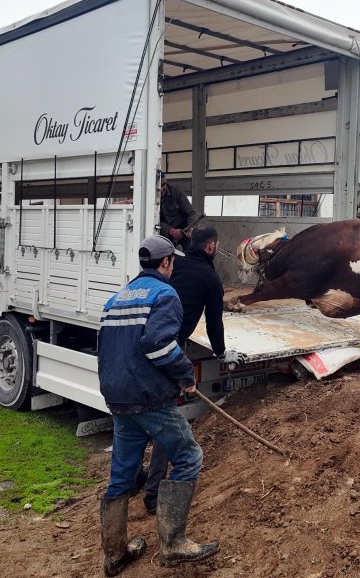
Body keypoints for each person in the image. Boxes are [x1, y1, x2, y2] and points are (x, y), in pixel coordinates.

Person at [97, 235, 219, 574]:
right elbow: (157, 345)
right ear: (166, 263)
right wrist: (185, 376)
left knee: (121, 475)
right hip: (149, 398)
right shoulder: (165, 294)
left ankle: (114, 554)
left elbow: (108, 348)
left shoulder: (116, 298)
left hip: (119, 398)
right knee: (189, 457)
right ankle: (173, 543)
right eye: (173, 261)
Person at [142, 225, 228, 515]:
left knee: (137, 418)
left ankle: (132, 482)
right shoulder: (210, 278)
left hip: (141, 347)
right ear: (211, 247)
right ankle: (153, 495)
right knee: (166, 422)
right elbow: (215, 323)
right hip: (168, 351)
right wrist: (221, 353)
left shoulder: (171, 268)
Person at [159, 173, 198, 250]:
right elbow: (151, 222)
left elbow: (191, 213)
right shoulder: (148, 199)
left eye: (163, 185)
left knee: (192, 251)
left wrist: (190, 227)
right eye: (159, 186)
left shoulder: (176, 191)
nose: (162, 188)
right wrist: (171, 231)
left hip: (183, 229)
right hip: (163, 232)